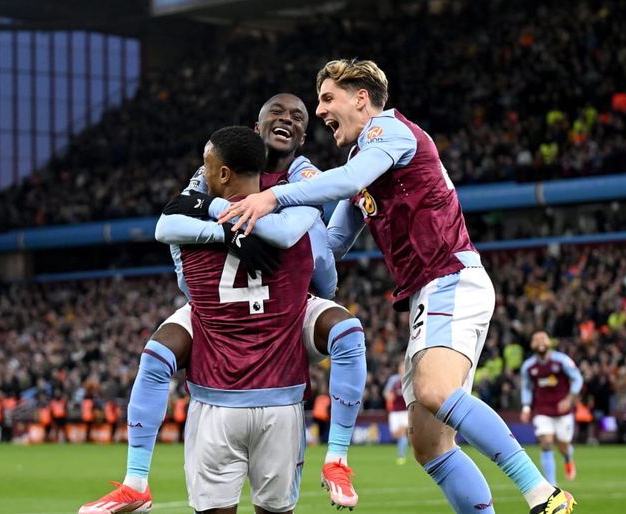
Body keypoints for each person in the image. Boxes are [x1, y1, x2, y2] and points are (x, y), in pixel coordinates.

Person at [219, 59, 575, 514]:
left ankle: (543, 493)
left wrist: (273, 195)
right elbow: (330, 245)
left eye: (328, 99)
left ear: (360, 99)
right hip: (427, 293)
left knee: (434, 390)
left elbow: (344, 182)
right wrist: (277, 239)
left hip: (451, 277)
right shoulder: (358, 163)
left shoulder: (390, 133)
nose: (321, 109)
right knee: (430, 444)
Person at [81, 94, 366, 514]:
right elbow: (170, 219)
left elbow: (311, 245)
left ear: (304, 137)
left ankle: (338, 457)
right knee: (158, 353)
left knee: (345, 329)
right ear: (256, 127)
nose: (286, 119)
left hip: (292, 301)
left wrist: (243, 223)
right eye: (277, 113)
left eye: (297, 117)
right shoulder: (211, 171)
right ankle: (135, 482)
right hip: (215, 305)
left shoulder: (304, 180)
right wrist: (230, 228)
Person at [180, 126, 315, 514]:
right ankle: (338, 451)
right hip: (281, 396)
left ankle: (134, 477)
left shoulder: (191, 234)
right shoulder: (296, 230)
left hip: (215, 396)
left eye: (206, 167)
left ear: (223, 174)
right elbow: (323, 278)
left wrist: (210, 212)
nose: (202, 176)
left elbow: (184, 285)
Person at [520, 332, 584, 485]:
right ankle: (552, 485)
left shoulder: (562, 360)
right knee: (546, 443)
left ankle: (568, 458)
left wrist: (569, 399)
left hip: (563, 411)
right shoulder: (528, 367)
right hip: (542, 410)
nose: (540, 341)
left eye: (543, 338)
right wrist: (526, 407)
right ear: (532, 345)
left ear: (550, 342)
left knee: (563, 447)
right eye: (536, 339)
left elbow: (577, 379)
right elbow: (526, 388)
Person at [384, 361, 410, 465]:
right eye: (401, 367)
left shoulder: (410, 379)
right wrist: (388, 396)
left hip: (405, 411)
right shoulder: (393, 379)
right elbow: (386, 392)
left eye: (404, 367)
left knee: (402, 432)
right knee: (395, 434)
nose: (402, 369)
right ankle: (403, 446)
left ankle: (401, 456)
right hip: (394, 411)